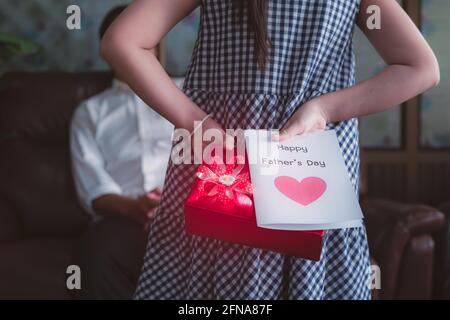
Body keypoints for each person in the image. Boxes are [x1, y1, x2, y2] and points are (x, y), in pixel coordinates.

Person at [101, 0, 439, 299]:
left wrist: (199, 125)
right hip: (302, 156)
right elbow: (420, 67)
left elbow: (122, 41)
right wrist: (324, 110)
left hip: (228, 156)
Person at [69, 5, 174, 299]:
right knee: (96, 256)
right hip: (124, 218)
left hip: (186, 212)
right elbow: (94, 188)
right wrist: (136, 208)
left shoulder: (189, 92)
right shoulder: (90, 111)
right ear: (109, 48)